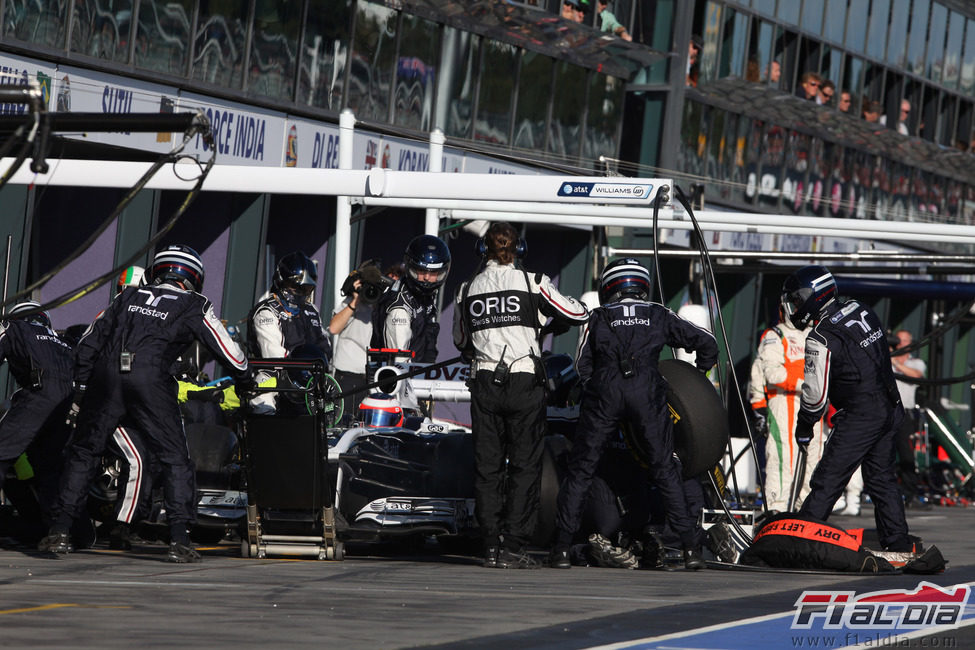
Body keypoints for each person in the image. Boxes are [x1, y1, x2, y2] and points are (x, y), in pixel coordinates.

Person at [39, 245, 252, 563]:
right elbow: (231, 353)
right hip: (151, 378)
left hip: (107, 376)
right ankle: (179, 540)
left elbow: (88, 343)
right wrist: (246, 379)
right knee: (175, 460)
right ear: (193, 278)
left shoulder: (126, 297)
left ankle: (59, 532)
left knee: (84, 452)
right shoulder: (194, 303)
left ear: (156, 271)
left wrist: (83, 388)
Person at [551, 258, 717, 570]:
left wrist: (597, 390)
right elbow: (706, 342)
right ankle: (690, 550)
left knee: (582, 470)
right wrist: (699, 374)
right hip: (648, 391)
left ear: (609, 287)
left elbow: (581, 366)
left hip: (606, 391)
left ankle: (561, 547)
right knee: (665, 469)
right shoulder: (658, 313)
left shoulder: (598, 316)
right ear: (641, 286)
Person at [453, 222, 588, 569]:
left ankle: (490, 546)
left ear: (483, 251)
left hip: (484, 384)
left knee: (487, 468)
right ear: (519, 250)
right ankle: (513, 546)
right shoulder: (534, 282)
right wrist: (543, 323)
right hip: (524, 383)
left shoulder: (466, 289)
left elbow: (460, 342)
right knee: (525, 467)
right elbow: (577, 313)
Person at [783, 265, 913, 552]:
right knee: (881, 479)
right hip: (890, 405)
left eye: (796, 300)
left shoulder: (821, 336)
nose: (794, 307)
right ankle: (898, 542)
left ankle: (799, 542)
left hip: (861, 413)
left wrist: (804, 424)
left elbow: (815, 396)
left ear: (811, 296)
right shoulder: (860, 308)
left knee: (828, 478)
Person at [0, 301, 74, 531]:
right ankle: (64, 531)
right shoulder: (65, 342)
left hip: (39, 395)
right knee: (50, 468)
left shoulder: (14, 328)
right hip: (70, 403)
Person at [748, 305, 824, 511]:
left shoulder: (816, 335)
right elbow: (770, 373)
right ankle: (776, 510)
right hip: (783, 404)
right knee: (782, 461)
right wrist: (759, 404)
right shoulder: (775, 334)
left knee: (814, 462)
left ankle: (805, 511)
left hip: (814, 407)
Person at [329, 260, 391, 423]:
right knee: (342, 423)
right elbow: (334, 328)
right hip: (348, 377)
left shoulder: (383, 305)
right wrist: (356, 300)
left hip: (374, 376)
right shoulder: (349, 302)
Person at [373, 235, 451, 364]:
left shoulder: (423, 297)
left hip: (418, 372)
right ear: (410, 267)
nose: (426, 277)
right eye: (421, 271)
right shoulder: (399, 309)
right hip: (399, 378)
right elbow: (399, 363)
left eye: (433, 273)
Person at [890, 329, 927, 507]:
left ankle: (909, 492)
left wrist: (896, 362)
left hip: (905, 413)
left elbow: (916, 376)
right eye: (900, 340)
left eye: (906, 341)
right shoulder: (887, 359)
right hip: (887, 411)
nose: (902, 343)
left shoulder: (916, 362)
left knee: (907, 454)